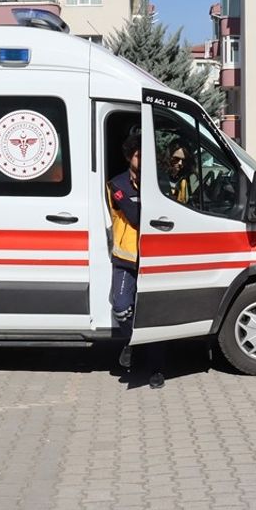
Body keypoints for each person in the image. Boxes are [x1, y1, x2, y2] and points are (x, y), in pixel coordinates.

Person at [108, 133, 165, 389]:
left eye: (146, 155)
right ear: (129, 156)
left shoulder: (158, 184)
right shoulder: (117, 185)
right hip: (126, 259)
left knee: (151, 316)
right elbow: (135, 215)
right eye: (137, 154)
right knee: (121, 307)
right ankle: (132, 344)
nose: (141, 159)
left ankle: (155, 370)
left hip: (154, 260)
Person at [158, 139, 192, 205]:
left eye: (184, 160)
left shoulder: (185, 179)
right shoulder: (159, 177)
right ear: (169, 156)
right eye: (176, 159)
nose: (180, 163)